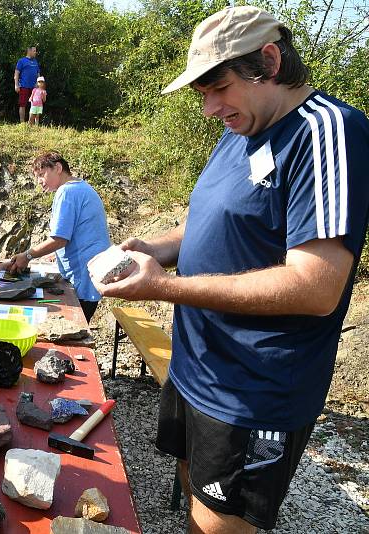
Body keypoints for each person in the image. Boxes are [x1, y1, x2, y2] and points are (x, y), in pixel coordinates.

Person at [95, 6, 369, 533]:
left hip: (252, 389)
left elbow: (317, 286)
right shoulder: (238, 130)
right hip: (196, 366)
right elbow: (206, 221)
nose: (209, 107)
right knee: (193, 498)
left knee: (220, 523)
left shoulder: (326, 132)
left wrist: (165, 288)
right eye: (201, 94)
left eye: (218, 87)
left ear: (268, 60)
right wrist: (153, 247)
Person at [10, 152, 111, 323]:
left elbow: (59, 239)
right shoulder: (82, 187)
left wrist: (27, 256)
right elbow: (75, 235)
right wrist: (53, 254)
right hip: (92, 275)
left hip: (83, 277)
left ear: (58, 168)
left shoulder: (67, 192)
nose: (39, 181)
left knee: (71, 331)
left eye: (42, 174)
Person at [14, 46, 40, 123]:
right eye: (34, 51)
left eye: (35, 51)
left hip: (34, 88)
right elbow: (16, 73)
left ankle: (30, 123)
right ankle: (22, 123)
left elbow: (38, 73)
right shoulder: (21, 61)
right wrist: (16, 85)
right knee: (22, 105)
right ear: (29, 51)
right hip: (23, 86)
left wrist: (38, 84)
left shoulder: (35, 61)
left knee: (34, 105)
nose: (35, 52)